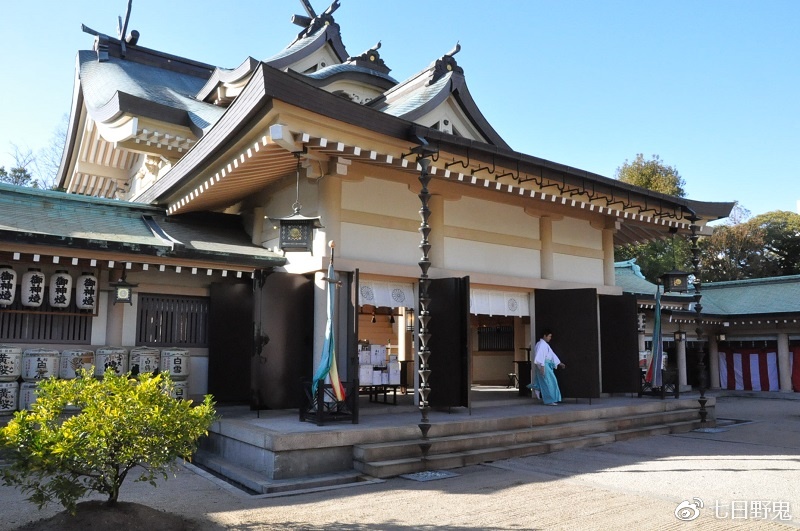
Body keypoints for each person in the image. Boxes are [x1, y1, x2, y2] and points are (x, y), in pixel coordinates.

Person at [530, 329, 565, 405]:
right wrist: (542, 366)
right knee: (548, 382)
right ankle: (549, 400)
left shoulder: (544, 344)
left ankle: (551, 399)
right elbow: (540, 356)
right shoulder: (541, 344)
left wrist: (559, 363)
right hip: (544, 365)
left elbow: (552, 355)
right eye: (549, 336)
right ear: (544, 336)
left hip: (546, 365)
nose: (550, 338)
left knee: (551, 381)